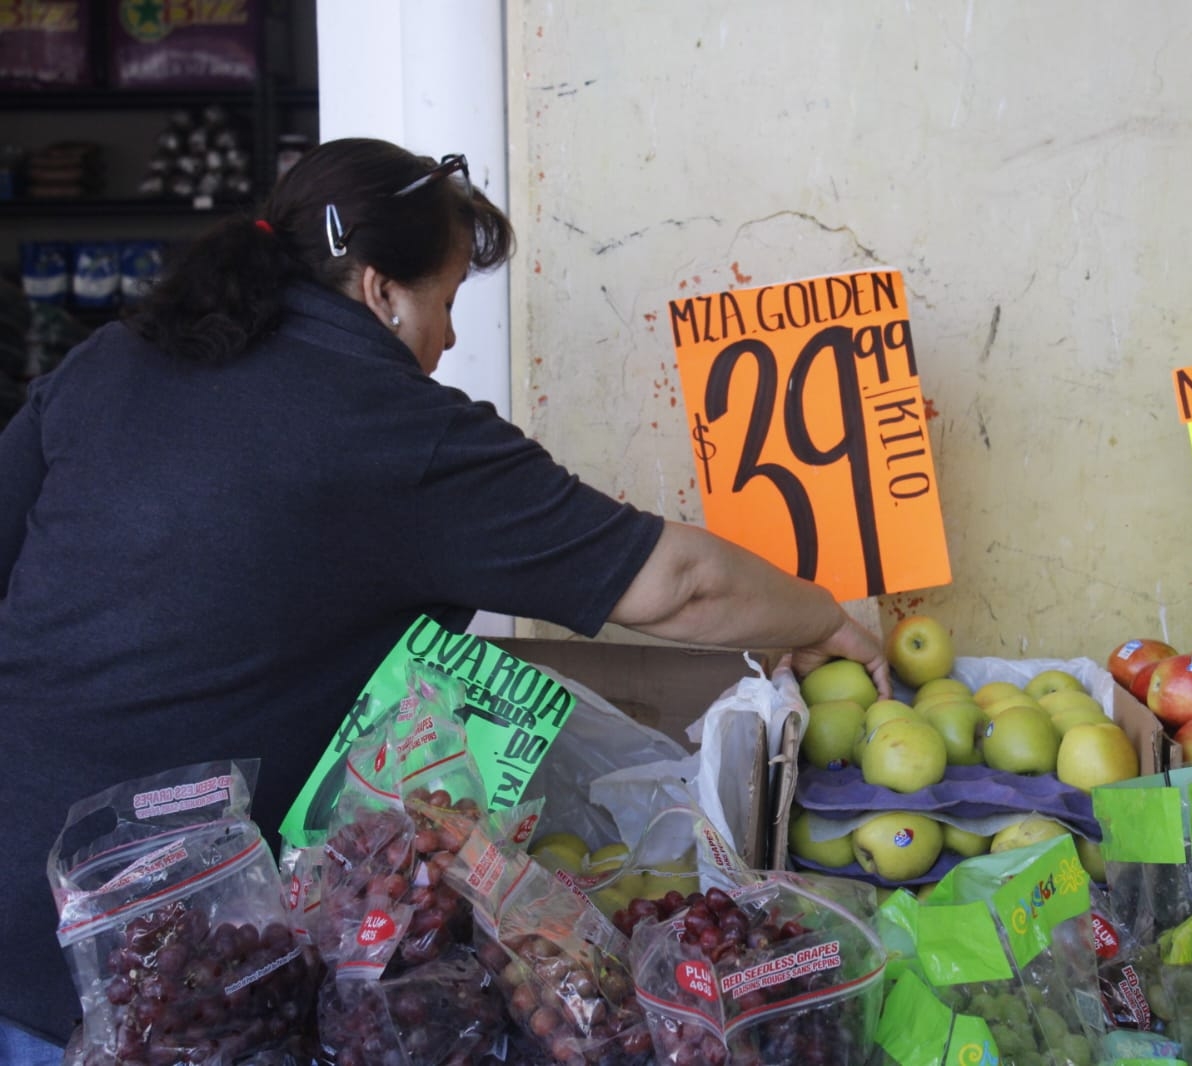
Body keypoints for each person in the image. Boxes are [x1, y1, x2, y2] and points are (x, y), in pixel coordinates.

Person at [0, 137, 890, 1055]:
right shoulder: (393, 431)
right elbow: (676, 585)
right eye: (449, 299)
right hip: (136, 974)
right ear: (381, 290)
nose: (453, 338)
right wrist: (823, 619)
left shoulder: (111, 361)